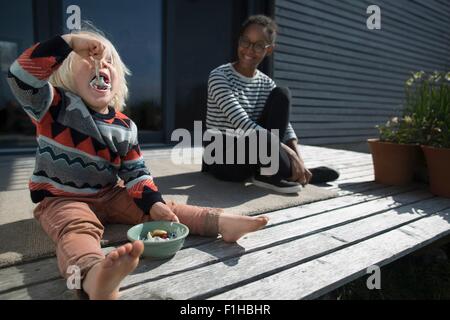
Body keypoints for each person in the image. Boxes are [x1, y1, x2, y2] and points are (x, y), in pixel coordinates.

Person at [7, 29, 268, 300]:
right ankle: (91, 277)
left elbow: (136, 172)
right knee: (76, 229)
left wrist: (153, 203)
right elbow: (20, 75)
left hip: (109, 194)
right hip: (62, 198)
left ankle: (220, 222)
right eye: (87, 57)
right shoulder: (53, 105)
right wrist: (69, 43)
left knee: (164, 209)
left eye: (108, 61)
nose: (100, 64)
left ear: (117, 81)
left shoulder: (124, 126)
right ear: (65, 73)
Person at [203, 15, 339, 193]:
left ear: (269, 50)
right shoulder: (219, 76)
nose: (250, 50)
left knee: (282, 94)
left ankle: (283, 171)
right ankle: (281, 171)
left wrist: (299, 157)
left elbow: (285, 126)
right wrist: (289, 155)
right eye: (246, 41)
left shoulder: (266, 83)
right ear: (239, 41)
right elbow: (241, 123)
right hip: (223, 157)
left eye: (259, 45)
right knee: (266, 142)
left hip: (254, 148)